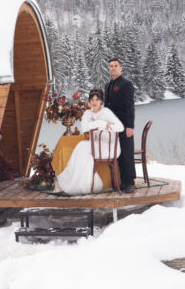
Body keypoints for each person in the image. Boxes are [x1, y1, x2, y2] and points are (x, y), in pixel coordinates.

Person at [55, 89, 124, 195]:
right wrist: (100, 123)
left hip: (109, 146)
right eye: (92, 100)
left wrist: (107, 127)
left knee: (83, 147)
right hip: (95, 144)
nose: (94, 102)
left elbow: (120, 127)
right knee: (81, 146)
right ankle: (77, 183)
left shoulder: (106, 112)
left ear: (101, 101)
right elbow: (84, 127)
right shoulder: (87, 113)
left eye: (97, 99)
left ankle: (85, 185)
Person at [104, 57, 136, 193]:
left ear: (121, 68)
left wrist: (130, 126)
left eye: (116, 65)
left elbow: (130, 106)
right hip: (112, 126)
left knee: (126, 153)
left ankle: (129, 182)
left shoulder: (126, 84)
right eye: (111, 66)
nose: (113, 68)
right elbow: (106, 106)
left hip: (124, 125)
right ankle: (119, 181)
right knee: (116, 152)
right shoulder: (107, 85)